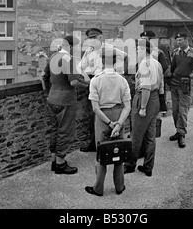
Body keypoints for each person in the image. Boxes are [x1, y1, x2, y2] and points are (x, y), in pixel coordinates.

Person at [85, 47, 131, 196]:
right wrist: (118, 124)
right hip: (119, 114)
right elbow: (127, 107)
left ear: (103, 61)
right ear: (115, 61)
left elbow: (95, 108)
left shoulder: (96, 80)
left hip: (103, 117)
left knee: (102, 153)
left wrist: (110, 124)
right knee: (119, 151)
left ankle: (98, 188)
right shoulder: (122, 80)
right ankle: (119, 186)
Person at [42, 35, 89, 174]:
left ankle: (54, 160)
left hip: (52, 98)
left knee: (54, 129)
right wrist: (88, 85)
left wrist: (47, 93)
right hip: (66, 100)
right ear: (72, 47)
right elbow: (74, 82)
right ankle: (61, 163)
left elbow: (44, 77)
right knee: (65, 131)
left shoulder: (52, 57)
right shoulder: (69, 59)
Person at [78, 27, 127, 152]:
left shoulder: (109, 49)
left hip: (110, 82)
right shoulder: (89, 52)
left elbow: (125, 56)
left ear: (100, 37)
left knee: (112, 110)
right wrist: (85, 76)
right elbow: (79, 67)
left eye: (94, 38)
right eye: (90, 38)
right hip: (96, 82)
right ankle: (95, 143)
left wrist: (120, 72)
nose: (92, 40)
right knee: (94, 113)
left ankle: (113, 141)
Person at [124, 40, 164, 177]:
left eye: (138, 50)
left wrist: (142, 107)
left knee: (136, 135)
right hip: (155, 99)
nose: (136, 52)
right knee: (150, 136)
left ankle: (130, 164)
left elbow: (146, 87)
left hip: (144, 98)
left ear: (143, 50)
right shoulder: (157, 63)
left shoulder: (144, 64)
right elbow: (161, 84)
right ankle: (148, 166)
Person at [169, 33, 193, 148]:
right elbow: (173, 67)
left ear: (186, 41)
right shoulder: (175, 53)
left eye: (180, 40)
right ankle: (178, 130)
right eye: (177, 40)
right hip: (174, 84)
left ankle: (182, 134)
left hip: (185, 84)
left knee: (182, 110)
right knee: (175, 111)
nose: (178, 42)